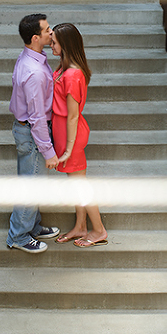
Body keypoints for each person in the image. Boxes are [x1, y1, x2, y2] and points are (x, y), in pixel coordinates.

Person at [50, 23, 108, 248]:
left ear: (65, 45)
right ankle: (81, 226)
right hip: (65, 132)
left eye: (54, 42)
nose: (51, 45)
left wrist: (67, 148)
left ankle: (99, 229)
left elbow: (72, 116)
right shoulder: (65, 68)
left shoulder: (72, 75)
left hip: (70, 134)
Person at [7, 13, 61, 253]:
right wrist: (48, 151)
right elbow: (37, 117)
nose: (52, 33)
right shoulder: (35, 73)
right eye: (48, 30)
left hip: (25, 130)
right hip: (31, 133)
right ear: (35, 37)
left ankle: (32, 226)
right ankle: (18, 236)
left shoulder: (32, 56)